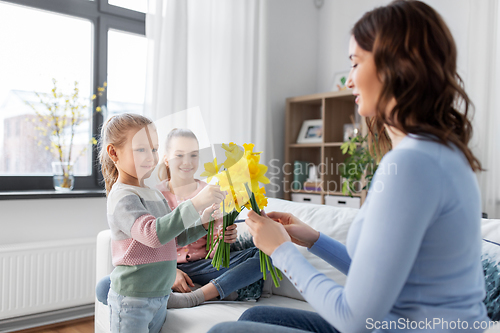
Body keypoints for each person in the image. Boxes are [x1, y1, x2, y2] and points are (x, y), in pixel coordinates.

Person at [208, 1, 490, 332]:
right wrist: (313, 239)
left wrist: (280, 250)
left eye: (355, 64)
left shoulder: (413, 163)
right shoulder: (438, 153)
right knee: (256, 317)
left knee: (224, 331)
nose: (349, 81)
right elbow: (378, 278)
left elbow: (355, 319)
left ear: (396, 66)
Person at [96, 127, 265, 310]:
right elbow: (151, 238)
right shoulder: (154, 195)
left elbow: (215, 246)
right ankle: (215, 292)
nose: (187, 162)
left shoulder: (211, 191)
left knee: (265, 255)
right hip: (161, 268)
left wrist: (223, 239)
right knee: (105, 287)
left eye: (193, 155)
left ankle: (200, 295)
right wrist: (171, 272)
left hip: (202, 267)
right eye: (180, 155)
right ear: (166, 159)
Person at [99, 113, 225, 333]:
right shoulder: (122, 196)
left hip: (159, 296)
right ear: (113, 152)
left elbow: (173, 238)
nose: (150, 156)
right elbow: (152, 234)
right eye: (141, 149)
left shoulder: (153, 194)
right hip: (132, 299)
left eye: (154, 149)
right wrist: (195, 203)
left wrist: (204, 223)